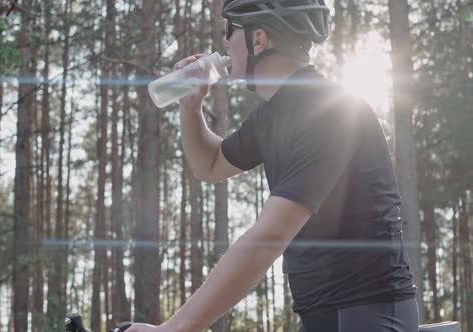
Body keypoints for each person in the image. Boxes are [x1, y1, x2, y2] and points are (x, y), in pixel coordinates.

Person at [129, 0, 418, 331]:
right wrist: (190, 106)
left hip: (368, 310)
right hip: (318, 312)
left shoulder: (330, 110)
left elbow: (268, 236)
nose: (225, 42)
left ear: (258, 39)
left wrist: (174, 329)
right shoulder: (272, 115)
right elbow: (209, 165)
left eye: (230, 31)